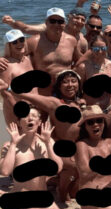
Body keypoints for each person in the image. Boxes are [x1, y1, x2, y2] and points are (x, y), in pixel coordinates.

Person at [5, 70, 86, 202]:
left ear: (79, 83)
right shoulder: (54, 103)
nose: (70, 85)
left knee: (76, 191)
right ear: (59, 87)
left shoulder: (83, 102)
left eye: (73, 81)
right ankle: (62, 193)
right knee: (72, 167)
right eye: (65, 82)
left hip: (80, 148)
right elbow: (27, 96)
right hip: (62, 149)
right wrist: (7, 89)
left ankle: (54, 180)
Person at [0, 108, 67, 209]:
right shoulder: (10, 145)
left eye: (34, 116)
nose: (30, 119)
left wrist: (48, 143)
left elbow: (58, 168)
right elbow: (4, 171)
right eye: (25, 116)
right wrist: (13, 144)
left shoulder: (47, 142)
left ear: (39, 122)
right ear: (19, 123)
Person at [9, 8, 82, 96]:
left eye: (60, 21)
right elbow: (14, 56)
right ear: (46, 22)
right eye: (52, 21)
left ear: (64, 23)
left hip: (66, 90)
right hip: (43, 91)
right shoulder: (34, 41)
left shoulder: (71, 40)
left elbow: (79, 61)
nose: (56, 24)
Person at [1, 29, 37, 126]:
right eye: (14, 42)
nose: (19, 43)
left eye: (21, 39)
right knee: (20, 140)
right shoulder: (6, 65)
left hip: (33, 109)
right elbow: (6, 93)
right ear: (9, 46)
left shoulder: (27, 59)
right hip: (16, 111)